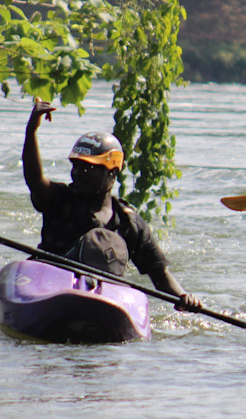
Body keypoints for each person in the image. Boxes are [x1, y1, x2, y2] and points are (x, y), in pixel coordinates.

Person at [23, 97, 201, 310]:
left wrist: (183, 297)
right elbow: (35, 180)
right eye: (75, 166)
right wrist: (31, 132)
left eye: (87, 169)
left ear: (112, 173)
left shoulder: (129, 222)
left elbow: (159, 273)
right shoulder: (60, 199)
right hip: (52, 288)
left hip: (101, 300)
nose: (77, 174)